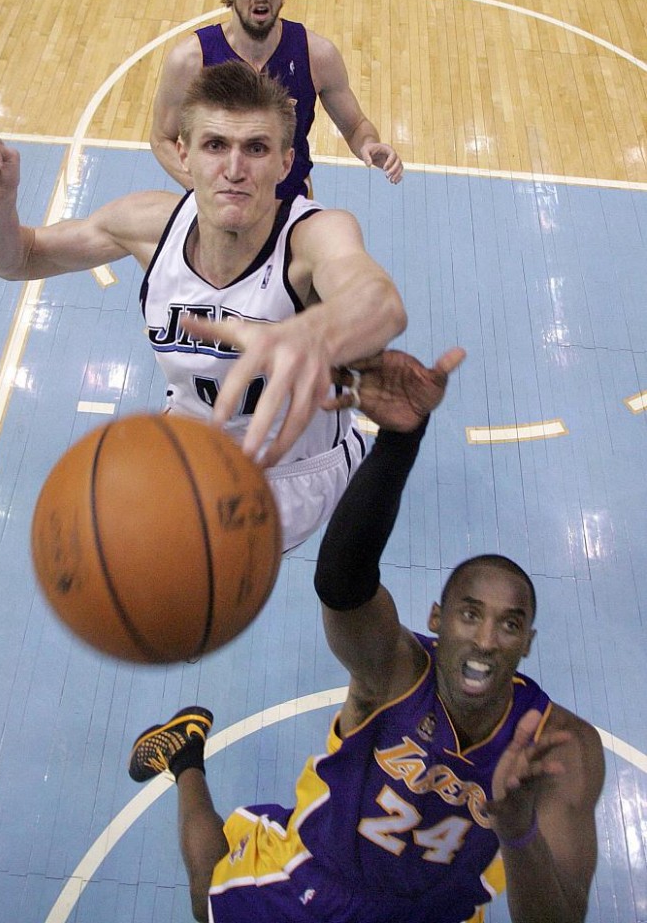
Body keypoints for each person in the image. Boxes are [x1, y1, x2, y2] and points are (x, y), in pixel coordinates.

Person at [126, 347, 605, 923]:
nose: (485, 640)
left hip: (436, 915)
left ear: (528, 641)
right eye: (469, 615)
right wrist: (399, 441)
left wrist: (518, 830)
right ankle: (186, 758)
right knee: (205, 901)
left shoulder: (562, 749)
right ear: (436, 620)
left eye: (509, 624)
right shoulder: (395, 673)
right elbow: (342, 582)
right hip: (319, 883)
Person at [0, 61, 406, 552]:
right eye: (215, 146)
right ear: (184, 154)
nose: (235, 169)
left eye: (256, 148)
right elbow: (16, 258)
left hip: (292, 473)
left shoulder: (313, 235)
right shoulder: (149, 224)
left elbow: (378, 302)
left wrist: (310, 332)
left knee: (181, 580)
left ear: (285, 162)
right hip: (191, 451)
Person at [150, 0, 404, 199]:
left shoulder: (317, 55)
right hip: (221, 207)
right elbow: (161, 138)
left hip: (290, 205)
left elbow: (355, 126)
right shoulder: (190, 60)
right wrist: (206, 190)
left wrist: (368, 144)